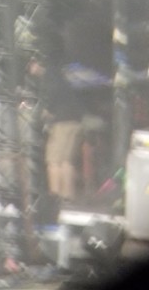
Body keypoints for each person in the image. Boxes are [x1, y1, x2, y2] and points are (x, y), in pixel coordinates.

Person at [29, 53, 85, 203]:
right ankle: (67, 196)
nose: (30, 72)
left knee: (53, 161)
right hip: (75, 121)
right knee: (66, 161)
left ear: (35, 63)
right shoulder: (58, 75)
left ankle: (54, 196)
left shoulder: (48, 77)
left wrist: (45, 112)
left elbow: (50, 100)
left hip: (62, 123)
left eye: (30, 67)